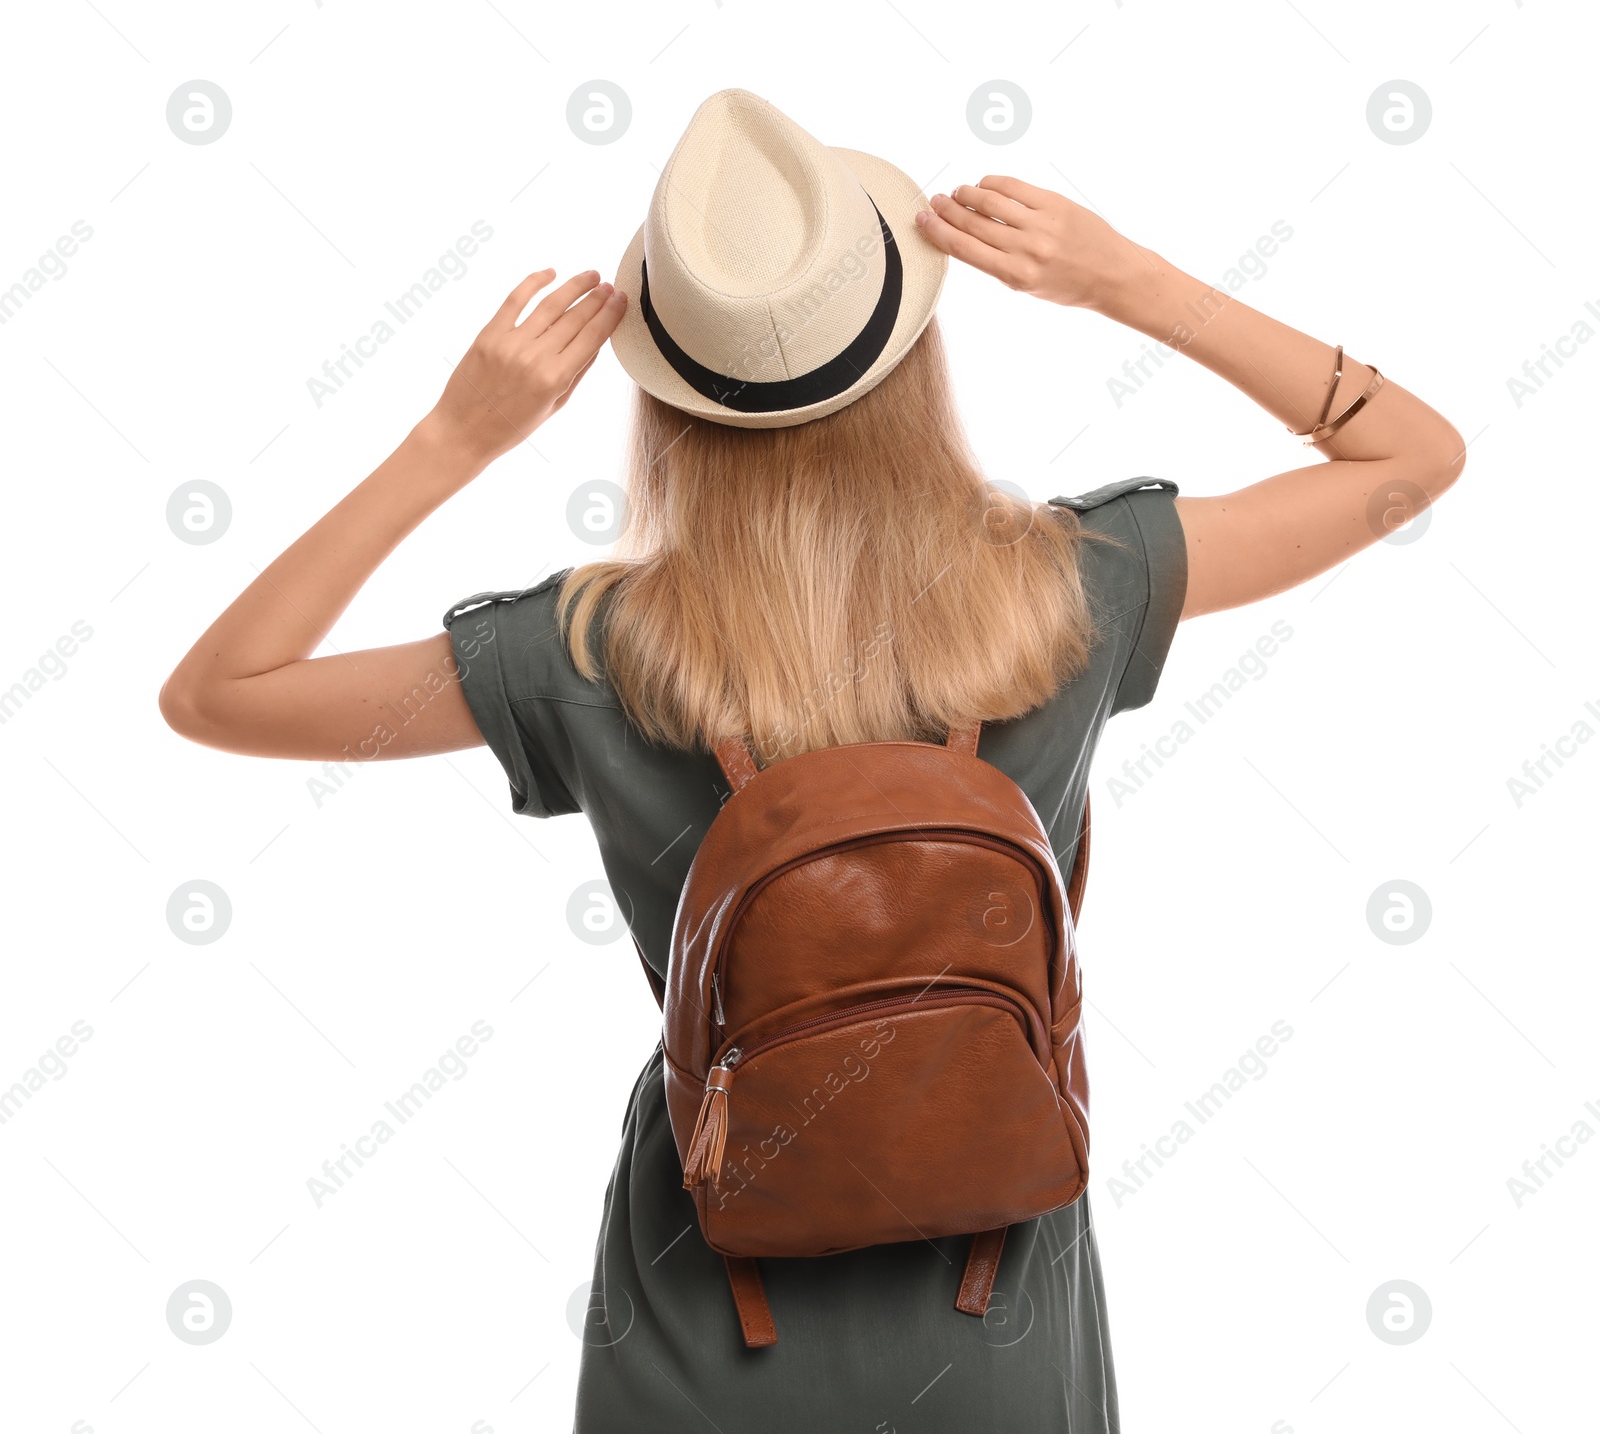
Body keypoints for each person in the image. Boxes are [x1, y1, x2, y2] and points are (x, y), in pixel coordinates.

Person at [159, 89, 1465, 1433]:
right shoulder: (1079, 590)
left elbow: (220, 693)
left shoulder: (592, 647)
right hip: (996, 1304)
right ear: (919, 354)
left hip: (711, 1304)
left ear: (668, 398)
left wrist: (456, 439)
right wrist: (1125, 279)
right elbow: (1413, 454)